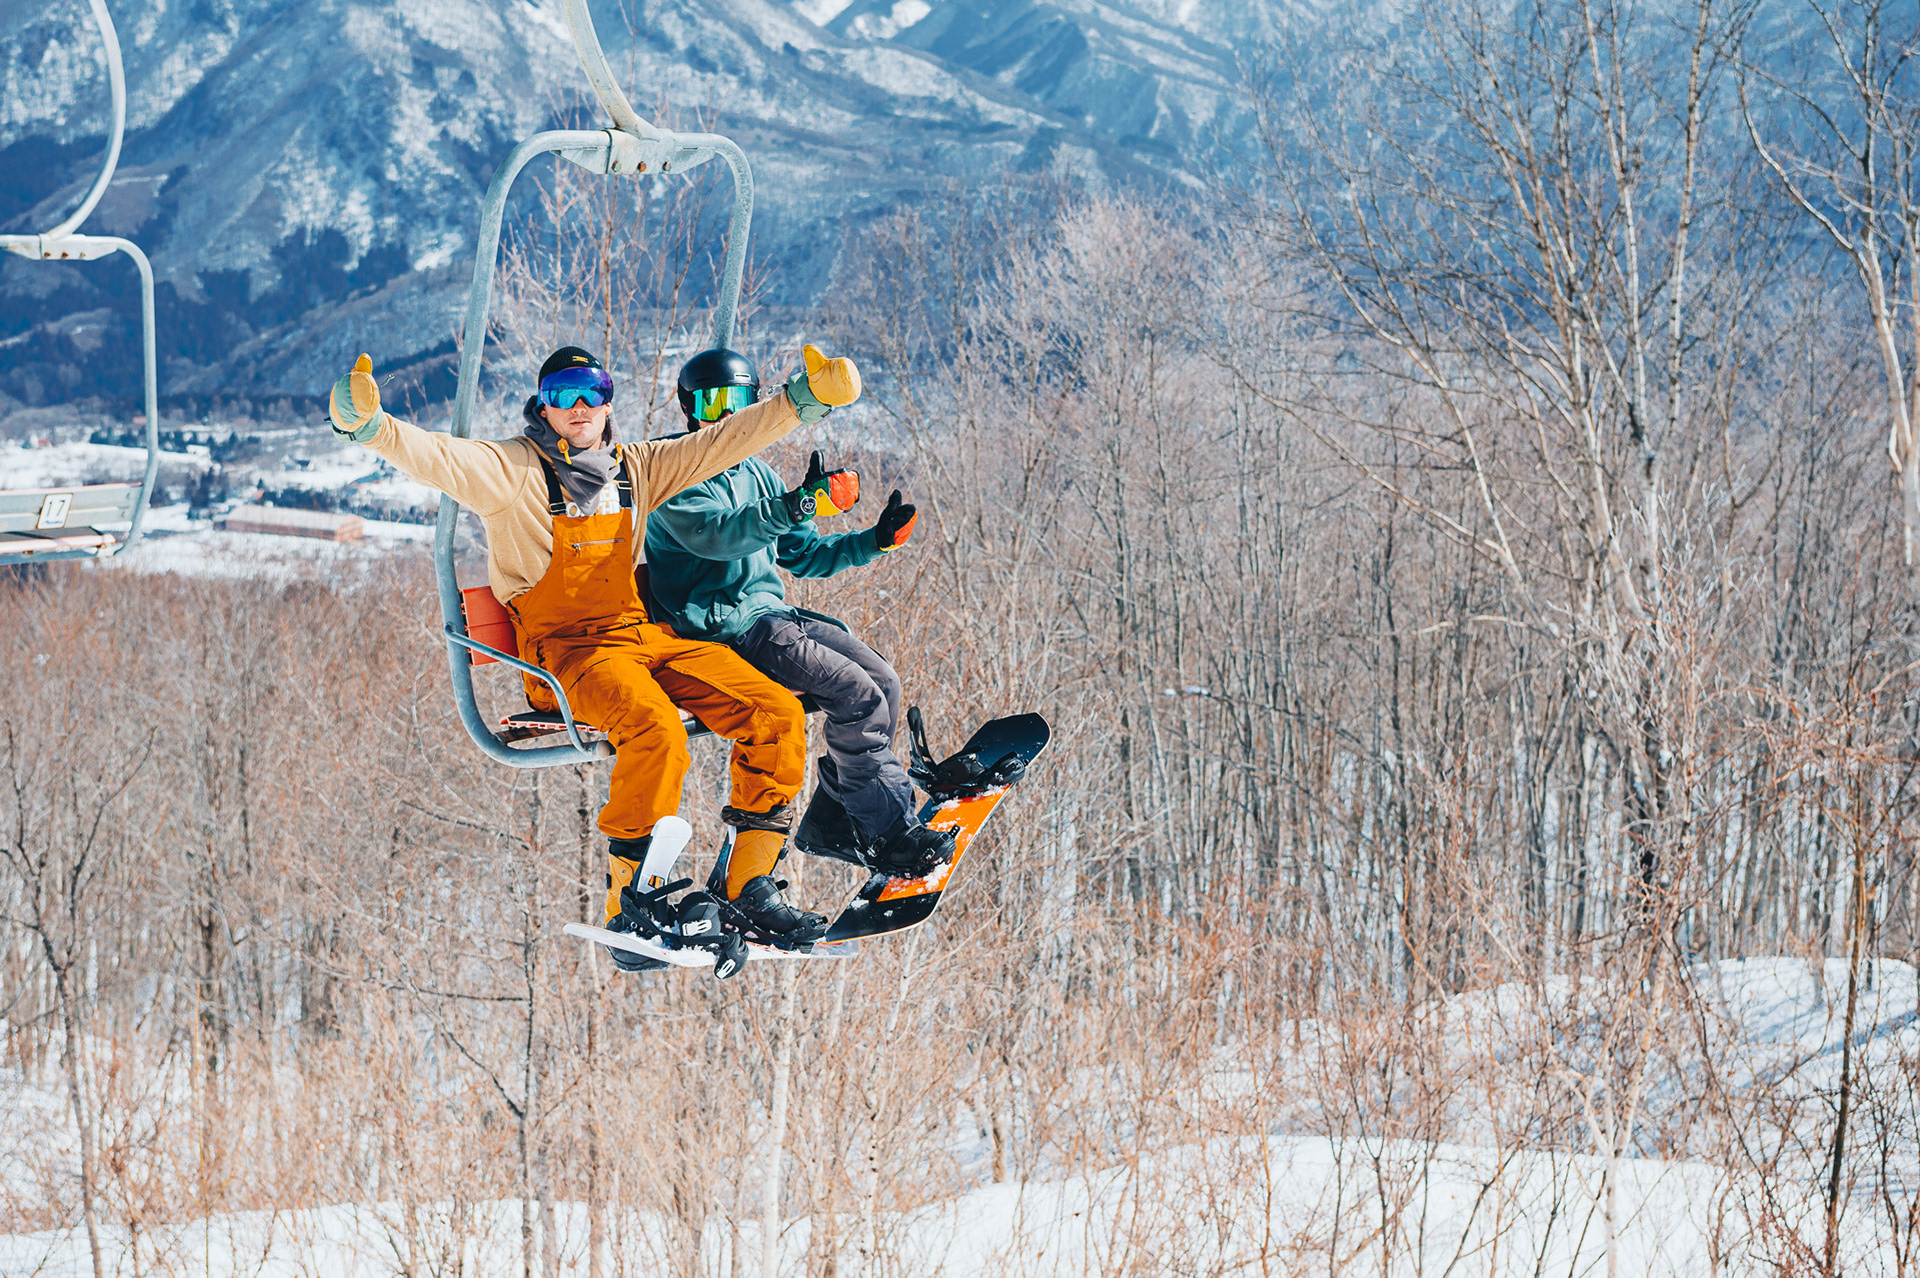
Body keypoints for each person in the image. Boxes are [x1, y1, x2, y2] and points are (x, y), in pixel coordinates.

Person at [327, 343, 866, 960]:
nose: (580, 407)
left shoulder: (633, 468)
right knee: (655, 729)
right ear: (544, 404)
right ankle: (631, 899)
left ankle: (751, 884)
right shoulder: (513, 471)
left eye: (593, 390)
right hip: (570, 654)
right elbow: (438, 457)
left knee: (776, 713)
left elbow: (722, 443)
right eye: (563, 394)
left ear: (610, 400)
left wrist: (802, 402)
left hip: (640, 637)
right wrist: (367, 425)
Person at [643, 347, 957, 879]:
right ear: (687, 405)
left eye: (741, 400)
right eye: (714, 400)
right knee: (855, 696)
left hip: (771, 615)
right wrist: (797, 504)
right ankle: (887, 830)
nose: (728, 414)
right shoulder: (669, 470)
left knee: (882, 680)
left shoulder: (758, 472)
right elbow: (720, 535)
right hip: (722, 629)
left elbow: (802, 554)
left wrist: (873, 542)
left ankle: (835, 819)